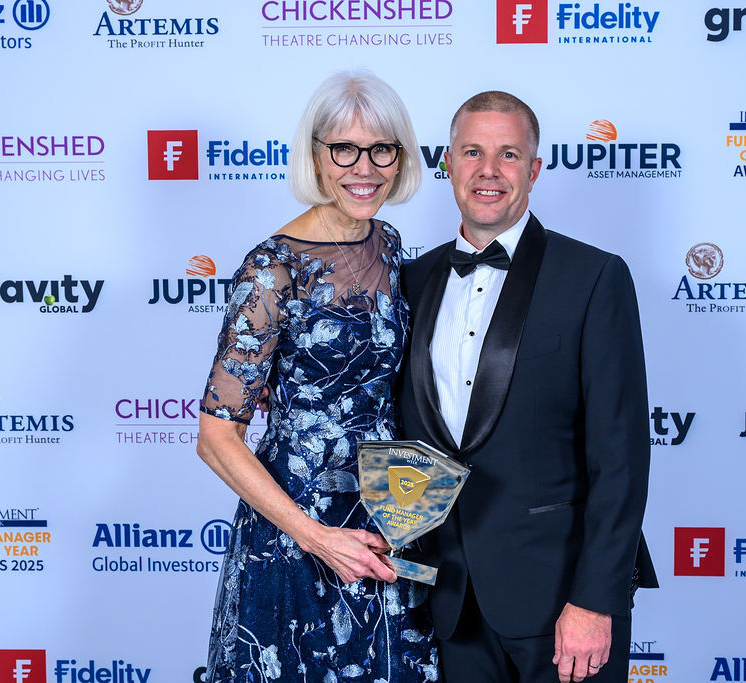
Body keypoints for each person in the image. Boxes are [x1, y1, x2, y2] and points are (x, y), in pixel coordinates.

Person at [399, 91, 657, 683]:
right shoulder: (409, 281)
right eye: (473, 152)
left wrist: (595, 599)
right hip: (449, 604)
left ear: (534, 170)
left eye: (508, 154)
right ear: (448, 164)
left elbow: (621, 456)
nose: (488, 171)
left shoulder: (593, 277)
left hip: (563, 603)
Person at [196, 71, 439, 683]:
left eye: (381, 149)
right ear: (315, 156)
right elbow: (216, 438)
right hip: (300, 527)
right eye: (344, 150)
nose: (365, 168)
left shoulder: (388, 243)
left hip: (390, 517)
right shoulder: (273, 269)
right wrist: (314, 536)